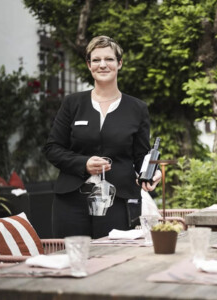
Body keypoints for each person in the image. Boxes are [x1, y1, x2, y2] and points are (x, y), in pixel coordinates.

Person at [43, 36, 161, 239]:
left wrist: (153, 170)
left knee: (115, 259)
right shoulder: (72, 103)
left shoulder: (137, 108)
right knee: (72, 260)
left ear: (119, 63)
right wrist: (83, 163)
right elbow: (52, 148)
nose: (103, 65)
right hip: (71, 202)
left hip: (118, 201)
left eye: (109, 59)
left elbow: (141, 154)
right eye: (96, 60)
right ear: (89, 65)